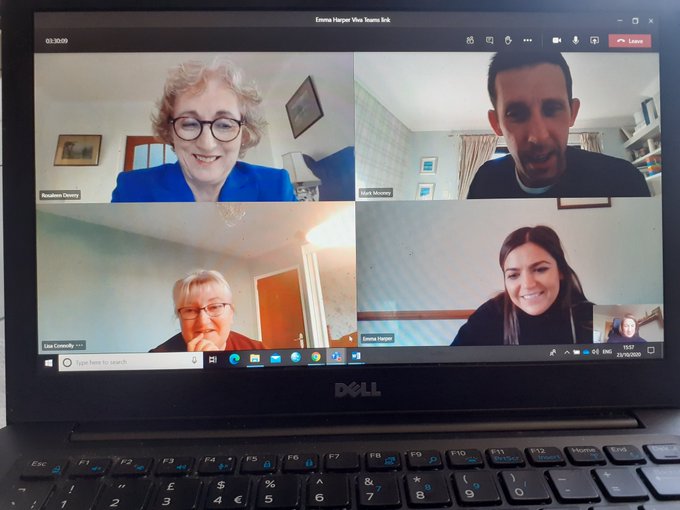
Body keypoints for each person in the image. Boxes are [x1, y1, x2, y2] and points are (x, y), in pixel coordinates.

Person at [467, 52, 650, 199]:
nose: (539, 136)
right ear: (496, 123)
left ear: (573, 113)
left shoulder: (623, 180)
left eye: (552, 109)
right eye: (516, 114)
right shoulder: (484, 181)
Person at [112, 58, 297, 202]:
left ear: (244, 133)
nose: (206, 144)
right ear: (170, 131)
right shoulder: (131, 190)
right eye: (189, 124)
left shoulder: (276, 188)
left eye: (224, 125)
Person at [452, 225, 593, 346]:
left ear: (560, 270)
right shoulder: (489, 316)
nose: (528, 284)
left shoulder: (593, 317)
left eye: (540, 269)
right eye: (513, 275)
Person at [151, 269, 263, 352]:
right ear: (179, 317)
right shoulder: (157, 359)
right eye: (190, 310)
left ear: (231, 313)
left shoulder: (259, 351)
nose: (203, 321)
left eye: (214, 307)